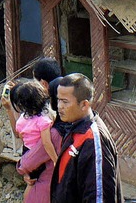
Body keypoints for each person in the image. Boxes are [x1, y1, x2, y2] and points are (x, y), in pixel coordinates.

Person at [51, 73, 123, 203]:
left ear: (84, 104)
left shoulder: (94, 140)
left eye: (65, 101)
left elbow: (98, 196)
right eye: (58, 100)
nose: (59, 106)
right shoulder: (74, 127)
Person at [11, 81, 57, 201]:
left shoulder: (21, 119)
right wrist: (55, 160)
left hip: (26, 151)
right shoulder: (43, 121)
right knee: (41, 183)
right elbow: (46, 143)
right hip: (37, 154)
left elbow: (21, 135)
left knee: (30, 183)